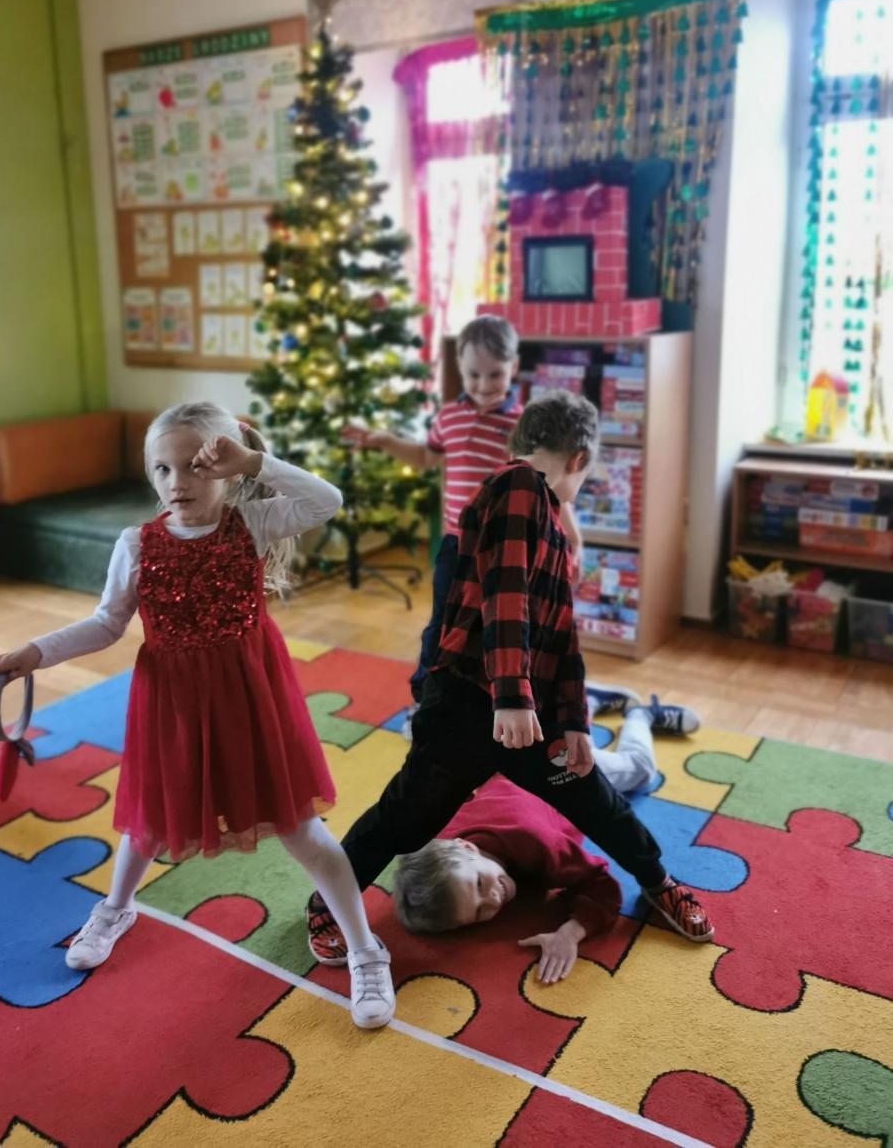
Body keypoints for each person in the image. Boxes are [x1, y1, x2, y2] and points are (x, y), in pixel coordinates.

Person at [0, 402, 395, 1030]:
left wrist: (254, 462)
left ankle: (364, 948)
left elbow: (327, 500)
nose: (177, 482)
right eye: (162, 469)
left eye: (195, 466)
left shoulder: (253, 523)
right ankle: (116, 908)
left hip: (252, 701)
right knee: (149, 821)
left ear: (226, 467)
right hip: (172, 705)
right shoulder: (136, 544)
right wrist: (33, 653)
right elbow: (105, 624)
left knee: (299, 826)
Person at [306, 390, 714, 968]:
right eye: (585, 475)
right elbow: (506, 596)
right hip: (471, 702)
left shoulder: (553, 526)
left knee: (595, 800)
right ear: (579, 459)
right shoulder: (519, 486)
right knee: (404, 816)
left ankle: (657, 881)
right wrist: (512, 697)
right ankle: (327, 902)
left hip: (527, 713)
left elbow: (563, 636)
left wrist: (574, 721)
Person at [344, 316, 561, 737]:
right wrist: (384, 440)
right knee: (442, 627)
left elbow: (545, 484)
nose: (484, 385)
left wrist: (566, 535)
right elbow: (427, 457)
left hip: (506, 552)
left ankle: (510, 704)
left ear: (514, 367)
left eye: (495, 374)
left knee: (506, 629)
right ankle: (425, 703)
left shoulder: (523, 425)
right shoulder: (449, 417)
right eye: (473, 374)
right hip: (456, 547)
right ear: (460, 369)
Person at [392, 774, 621, 985]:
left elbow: (603, 884)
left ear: (468, 847)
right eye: (479, 912)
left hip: (563, 772)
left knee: (631, 769)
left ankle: (636, 741)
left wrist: (569, 934)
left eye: (479, 884)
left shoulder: (536, 842)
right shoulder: (445, 850)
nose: (493, 900)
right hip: (505, 774)